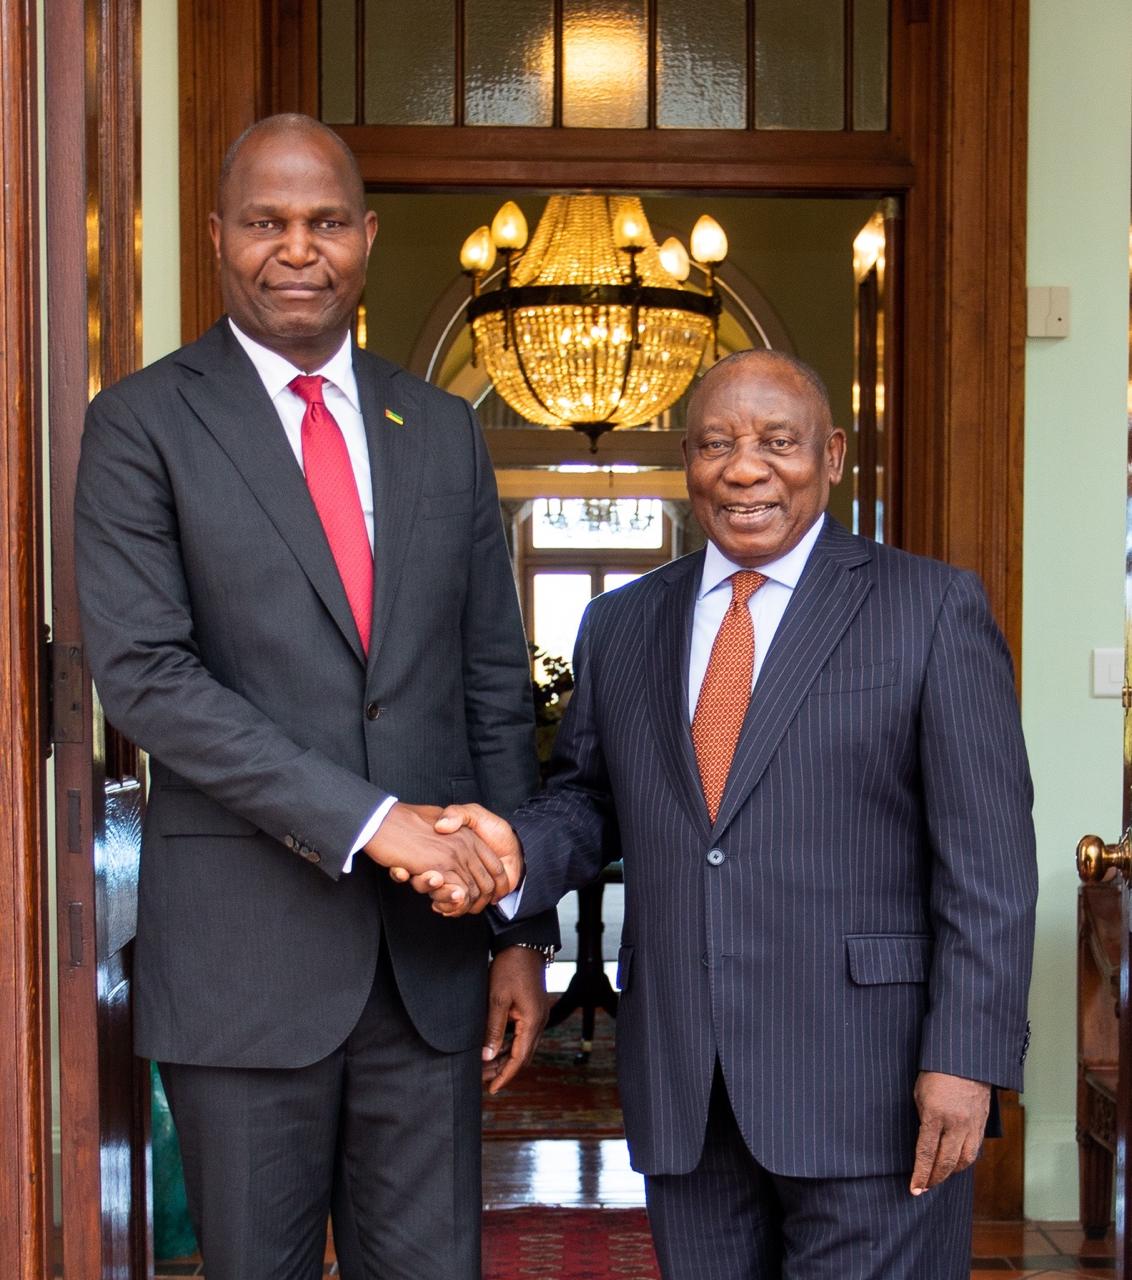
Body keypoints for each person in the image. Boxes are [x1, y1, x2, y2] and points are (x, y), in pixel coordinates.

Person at [431, 350, 1038, 1279]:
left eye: (778, 443)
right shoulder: (622, 624)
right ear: (687, 461)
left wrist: (968, 1057)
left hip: (871, 1084)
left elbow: (989, 863)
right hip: (685, 1086)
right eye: (716, 444)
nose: (745, 469)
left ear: (832, 456)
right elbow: (589, 799)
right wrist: (511, 849)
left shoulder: (930, 607)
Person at [74, 112, 555, 1280]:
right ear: (217, 236)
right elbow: (146, 677)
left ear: (367, 237)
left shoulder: (441, 428)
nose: (298, 249)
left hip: (429, 966)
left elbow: (492, 683)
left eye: (325, 221)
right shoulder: (140, 423)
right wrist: (373, 820)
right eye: (266, 222)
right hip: (244, 962)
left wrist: (517, 927)